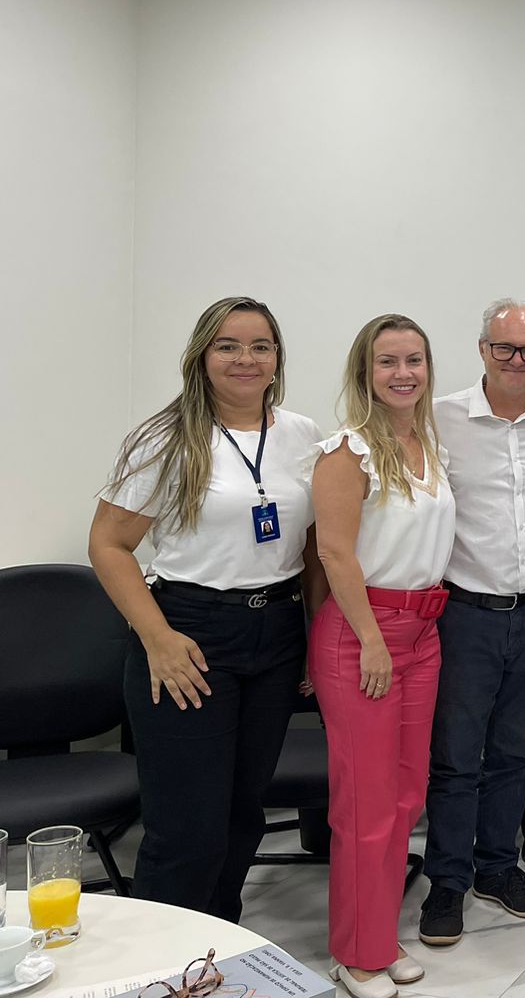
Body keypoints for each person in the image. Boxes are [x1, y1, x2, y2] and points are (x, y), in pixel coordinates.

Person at [88, 297, 324, 922]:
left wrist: (314, 635)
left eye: (260, 346)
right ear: (201, 355)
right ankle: (162, 971)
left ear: (277, 358)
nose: (245, 359)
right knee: (187, 827)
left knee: (244, 812)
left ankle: (214, 947)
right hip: (189, 633)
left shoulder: (303, 435)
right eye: (228, 346)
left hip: (275, 631)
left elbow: (312, 546)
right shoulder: (165, 438)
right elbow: (108, 545)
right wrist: (158, 639)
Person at [417, 299, 525, 944]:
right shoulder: (439, 419)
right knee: (457, 757)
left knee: (514, 751)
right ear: (482, 349)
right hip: (465, 613)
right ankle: (447, 885)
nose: (518, 361)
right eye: (505, 349)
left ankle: (499, 869)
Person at [309, 314, 456, 998]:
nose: (403, 373)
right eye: (388, 361)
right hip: (362, 635)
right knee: (365, 803)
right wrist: (370, 638)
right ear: (364, 373)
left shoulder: (427, 443)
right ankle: (354, 955)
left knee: (403, 795)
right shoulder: (348, 450)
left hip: (422, 633)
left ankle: (378, 936)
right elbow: (334, 552)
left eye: (415, 360)